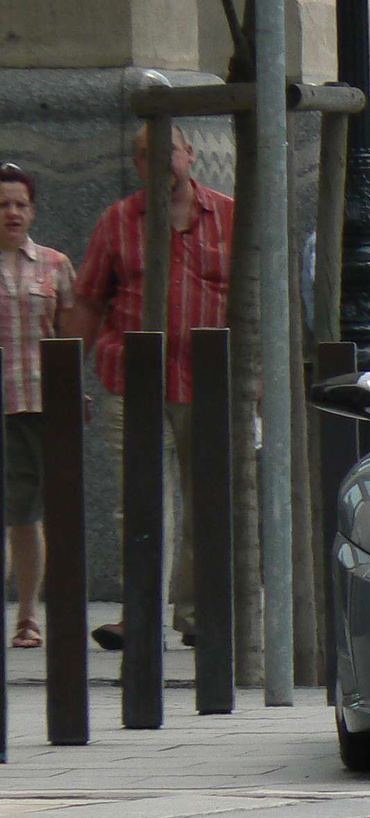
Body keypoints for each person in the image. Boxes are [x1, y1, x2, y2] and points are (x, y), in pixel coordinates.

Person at [66, 123, 234, 651]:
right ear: (137, 164)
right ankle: (139, 614)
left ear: (189, 154)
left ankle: (195, 613)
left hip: (208, 381)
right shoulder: (116, 221)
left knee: (205, 499)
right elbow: (90, 300)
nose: (160, 162)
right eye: (146, 154)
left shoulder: (229, 215)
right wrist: (66, 375)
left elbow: (255, 301)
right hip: (131, 380)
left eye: (169, 151)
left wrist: (252, 380)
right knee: (139, 500)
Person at [0, 163, 76, 650]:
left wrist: (72, 392)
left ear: (33, 210)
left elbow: (70, 334)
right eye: (3, 204)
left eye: (20, 204)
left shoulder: (54, 264)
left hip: (33, 403)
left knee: (26, 513)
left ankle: (28, 614)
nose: (12, 213)